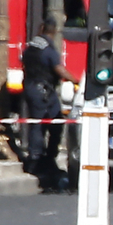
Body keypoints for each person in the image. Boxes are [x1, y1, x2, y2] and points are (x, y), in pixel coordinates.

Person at [20, 19, 77, 189]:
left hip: (32, 86)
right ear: (54, 31)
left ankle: (39, 157)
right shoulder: (48, 49)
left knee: (45, 122)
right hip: (43, 90)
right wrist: (76, 80)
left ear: (42, 28)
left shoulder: (31, 46)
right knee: (45, 124)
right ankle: (40, 159)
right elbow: (59, 69)